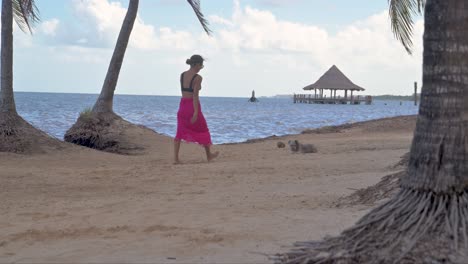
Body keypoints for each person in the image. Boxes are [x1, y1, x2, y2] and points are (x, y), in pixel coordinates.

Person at [173, 54, 219, 164]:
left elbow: (184, 92)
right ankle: (209, 156)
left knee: (179, 132)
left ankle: (176, 159)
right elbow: (195, 96)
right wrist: (196, 113)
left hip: (182, 105)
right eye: (201, 66)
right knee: (203, 129)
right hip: (192, 106)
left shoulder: (182, 75)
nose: (201, 68)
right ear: (196, 64)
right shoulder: (198, 78)